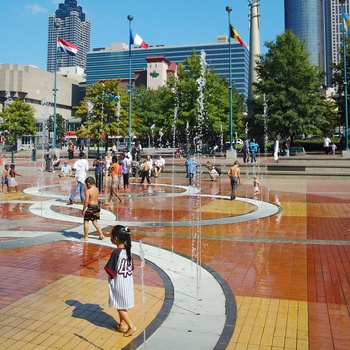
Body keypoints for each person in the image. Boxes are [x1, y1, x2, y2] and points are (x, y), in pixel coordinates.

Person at [104, 225, 136, 337]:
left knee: (119, 305)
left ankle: (131, 326)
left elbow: (110, 270)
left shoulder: (116, 253)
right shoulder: (128, 251)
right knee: (123, 303)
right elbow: (131, 268)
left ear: (116, 238)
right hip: (128, 282)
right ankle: (122, 325)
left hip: (119, 283)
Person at [81, 176, 105, 241]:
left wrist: (84, 210)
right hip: (97, 207)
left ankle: (86, 237)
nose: (86, 186)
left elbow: (86, 201)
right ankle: (101, 234)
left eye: (86, 184)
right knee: (95, 221)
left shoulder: (88, 191)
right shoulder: (96, 189)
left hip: (91, 207)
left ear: (88, 183)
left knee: (86, 221)